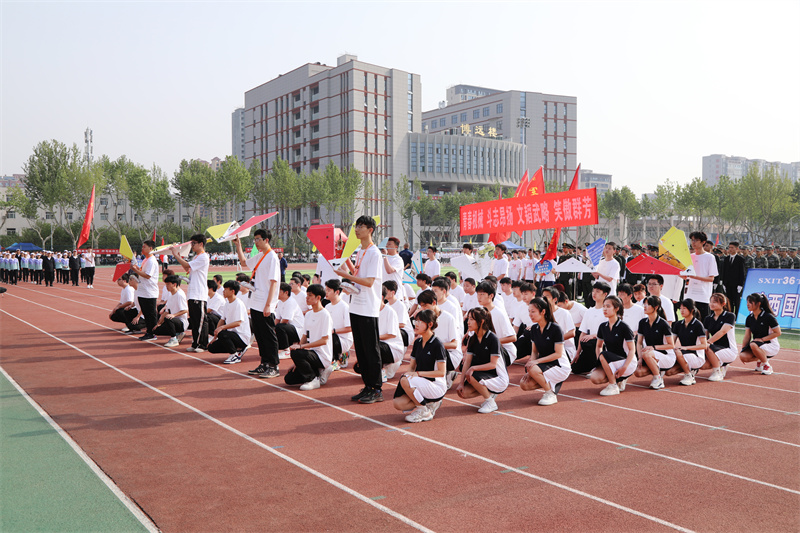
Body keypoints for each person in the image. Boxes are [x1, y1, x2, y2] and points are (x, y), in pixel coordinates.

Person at [336, 215, 384, 404]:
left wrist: (346, 275)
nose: (356, 229)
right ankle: (368, 386)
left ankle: (377, 389)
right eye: (356, 226)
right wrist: (346, 269)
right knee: (361, 350)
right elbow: (358, 274)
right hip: (356, 304)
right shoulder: (361, 251)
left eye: (361, 226)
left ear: (370, 230)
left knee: (371, 350)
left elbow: (370, 282)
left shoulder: (374, 253)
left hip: (368, 308)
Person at [233, 230, 281, 378]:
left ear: (266, 240)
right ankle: (264, 363)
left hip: (265, 303)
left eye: (258, 239)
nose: (256, 242)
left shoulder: (272, 257)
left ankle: (273, 366)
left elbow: (273, 283)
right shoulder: (261, 255)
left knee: (268, 336)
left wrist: (268, 305)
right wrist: (238, 246)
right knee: (259, 336)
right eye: (255, 239)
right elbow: (244, 263)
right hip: (255, 301)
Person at [393, 309, 447, 423]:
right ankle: (429, 403)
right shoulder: (417, 343)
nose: (416, 324)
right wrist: (408, 377)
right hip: (421, 382)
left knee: (405, 380)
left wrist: (416, 375)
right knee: (398, 403)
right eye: (415, 321)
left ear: (430, 324)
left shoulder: (437, 344)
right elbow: (412, 367)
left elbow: (441, 372)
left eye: (420, 322)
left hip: (436, 385)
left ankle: (424, 410)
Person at [519, 298, 571, 406]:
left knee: (533, 368)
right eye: (529, 311)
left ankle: (550, 393)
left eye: (533, 311)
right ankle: (552, 384)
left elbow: (558, 354)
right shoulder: (534, 329)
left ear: (543, 312)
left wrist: (535, 363)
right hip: (545, 364)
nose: (530, 314)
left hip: (560, 366)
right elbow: (534, 352)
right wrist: (530, 371)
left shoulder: (555, 328)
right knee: (524, 384)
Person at [284, 284, 335, 390]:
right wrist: (297, 362)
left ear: (318, 297)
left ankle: (312, 379)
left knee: (296, 352)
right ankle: (319, 372)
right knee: (289, 379)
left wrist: (301, 348)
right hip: (312, 354)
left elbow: (324, 340)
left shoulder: (325, 315)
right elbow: (304, 336)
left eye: (310, 295)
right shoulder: (308, 314)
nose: (306, 298)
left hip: (322, 356)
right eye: (307, 295)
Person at [588, 295, 637, 396]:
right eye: (604, 306)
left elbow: (632, 350)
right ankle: (619, 379)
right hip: (611, 360)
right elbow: (598, 346)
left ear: (616, 308)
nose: (605, 309)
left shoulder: (624, 327)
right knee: (595, 378)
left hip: (627, 361)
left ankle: (613, 385)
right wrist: (600, 361)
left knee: (604, 354)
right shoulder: (602, 326)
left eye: (608, 306)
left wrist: (624, 367)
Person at [171, 234, 210, 353]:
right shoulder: (196, 257)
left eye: (194, 243)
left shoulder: (203, 257)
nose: (192, 245)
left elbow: (187, 265)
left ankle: (203, 344)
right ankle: (195, 343)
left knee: (201, 321)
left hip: (199, 294)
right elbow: (187, 269)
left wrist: (175, 255)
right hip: (193, 293)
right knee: (194, 320)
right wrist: (179, 256)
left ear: (201, 244)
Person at [416, 289, 461, 389]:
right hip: (435, 352)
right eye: (421, 306)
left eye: (425, 305)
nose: (422, 309)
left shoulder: (448, 318)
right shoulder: (424, 319)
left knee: (429, 351)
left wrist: (434, 345)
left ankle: (441, 380)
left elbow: (454, 345)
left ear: (434, 303)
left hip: (451, 355)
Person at [633, 295, 676, 389]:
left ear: (656, 307)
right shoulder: (642, 322)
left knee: (647, 353)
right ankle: (658, 369)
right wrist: (640, 358)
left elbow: (671, 345)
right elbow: (639, 342)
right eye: (644, 304)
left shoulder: (663, 324)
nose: (644, 306)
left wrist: (654, 347)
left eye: (648, 304)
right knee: (638, 372)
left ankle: (658, 378)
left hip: (667, 356)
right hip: (650, 355)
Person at [208, 280, 252, 364]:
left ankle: (235, 355)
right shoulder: (227, 303)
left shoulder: (238, 304)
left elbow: (238, 323)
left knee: (222, 333)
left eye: (225, 289)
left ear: (232, 291)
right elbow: (222, 320)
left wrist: (222, 328)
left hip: (242, 337)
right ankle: (238, 350)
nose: (223, 291)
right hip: (232, 335)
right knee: (211, 347)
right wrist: (215, 337)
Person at [666, 299, 708, 386]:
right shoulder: (678, 324)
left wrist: (686, 348)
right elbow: (672, 342)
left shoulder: (698, 325)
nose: (681, 311)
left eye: (684, 308)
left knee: (677, 352)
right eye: (680, 308)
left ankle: (688, 375)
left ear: (691, 310)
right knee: (669, 372)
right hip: (684, 354)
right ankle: (691, 369)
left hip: (697, 356)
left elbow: (704, 345)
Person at [475, 280, 517, 365]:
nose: (479, 297)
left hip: (505, 351)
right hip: (489, 348)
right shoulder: (479, 312)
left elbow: (513, 337)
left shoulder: (499, 313)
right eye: (478, 294)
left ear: (491, 296)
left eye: (482, 294)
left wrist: (491, 342)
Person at [573, 281, 611, 374]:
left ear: (605, 294)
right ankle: (592, 364)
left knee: (591, 342)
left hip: (603, 343)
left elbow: (609, 331)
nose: (594, 293)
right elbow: (583, 332)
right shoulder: (589, 311)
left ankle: (600, 365)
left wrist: (593, 335)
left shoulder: (608, 311)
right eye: (593, 291)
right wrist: (577, 352)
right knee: (575, 369)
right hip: (590, 344)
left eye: (598, 291)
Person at [739, 292, 781, 375]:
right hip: (757, 345)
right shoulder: (749, 318)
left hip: (771, 345)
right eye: (747, 302)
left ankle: (767, 365)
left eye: (750, 302)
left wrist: (762, 339)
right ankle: (761, 358)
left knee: (753, 344)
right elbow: (747, 335)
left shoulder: (768, 317)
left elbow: (778, 333)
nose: (747, 304)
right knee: (743, 356)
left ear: (758, 304)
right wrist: (743, 349)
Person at [699, 293, 737, 382]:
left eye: (715, 302)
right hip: (715, 349)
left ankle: (717, 372)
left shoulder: (730, 316)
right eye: (710, 302)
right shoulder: (708, 318)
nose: (711, 304)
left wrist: (707, 343)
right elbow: (704, 335)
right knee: (703, 365)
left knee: (707, 347)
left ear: (723, 304)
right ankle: (722, 364)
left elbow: (722, 332)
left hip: (729, 350)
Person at [681, 232, 718, 319]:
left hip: (703, 296)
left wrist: (694, 277)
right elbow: (685, 277)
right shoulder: (689, 257)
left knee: (703, 321)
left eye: (696, 240)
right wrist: (678, 273)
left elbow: (711, 278)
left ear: (703, 242)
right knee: (689, 320)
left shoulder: (710, 257)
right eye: (692, 240)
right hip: (689, 295)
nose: (693, 242)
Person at [129, 240, 160, 341]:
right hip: (143, 291)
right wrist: (137, 268)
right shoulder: (146, 260)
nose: (142, 249)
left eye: (144, 247)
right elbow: (143, 272)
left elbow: (147, 275)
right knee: (146, 314)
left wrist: (135, 270)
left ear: (150, 248)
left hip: (149, 292)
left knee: (151, 314)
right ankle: (149, 332)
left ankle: (152, 333)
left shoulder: (151, 261)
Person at [324, 279, 353, 369]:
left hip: (343, 340)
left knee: (329, 337)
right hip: (332, 336)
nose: (326, 292)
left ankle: (336, 360)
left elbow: (350, 328)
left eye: (329, 290)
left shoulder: (344, 307)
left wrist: (333, 331)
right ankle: (336, 357)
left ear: (337, 292)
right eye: (326, 290)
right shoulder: (327, 306)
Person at [154, 275, 189, 348]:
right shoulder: (170, 294)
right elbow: (166, 311)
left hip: (181, 322)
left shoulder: (180, 295)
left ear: (174, 284)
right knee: (156, 330)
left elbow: (185, 310)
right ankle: (178, 334)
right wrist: (159, 323)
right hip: (172, 320)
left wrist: (174, 315)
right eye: (166, 284)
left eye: (168, 284)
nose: (166, 286)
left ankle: (174, 339)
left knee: (168, 318)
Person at [275, 282, 304, 359]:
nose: (276, 293)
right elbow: (277, 319)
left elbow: (285, 320)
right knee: (276, 327)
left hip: (298, 331)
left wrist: (275, 329)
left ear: (286, 292)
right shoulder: (280, 302)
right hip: (290, 329)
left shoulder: (290, 302)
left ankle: (286, 351)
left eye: (278, 291)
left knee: (280, 327)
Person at [383, 280, 412, 347]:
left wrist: (387, 327)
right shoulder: (386, 305)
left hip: (404, 332)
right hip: (392, 330)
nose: (383, 293)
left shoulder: (400, 305)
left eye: (385, 291)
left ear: (393, 292)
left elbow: (402, 324)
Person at [721, 242, 746, 314]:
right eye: (729, 247)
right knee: (729, 302)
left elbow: (742, 273)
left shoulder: (740, 259)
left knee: (736, 302)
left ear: (737, 248)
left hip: (736, 284)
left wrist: (740, 284)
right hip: (728, 284)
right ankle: (729, 315)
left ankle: (737, 316)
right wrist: (724, 283)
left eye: (732, 248)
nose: (730, 249)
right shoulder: (726, 259)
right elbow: (724, 271)